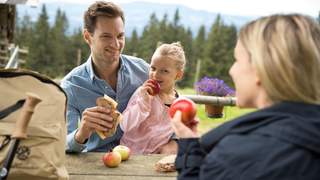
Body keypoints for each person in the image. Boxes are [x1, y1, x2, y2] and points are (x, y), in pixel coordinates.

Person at [171, 14, 320, 179]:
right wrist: (191, 144)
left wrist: (188, 152)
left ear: (260, 69)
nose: (231, 70)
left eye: (237, 60)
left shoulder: (240, 156)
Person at [60, 1, 150, 152]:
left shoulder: (143, 71)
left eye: (120, 36)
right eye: (106, 36)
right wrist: (81, 133)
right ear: (88, 36)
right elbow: (63, 144)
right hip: (94, 165)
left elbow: (170, 99)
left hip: (140, 159)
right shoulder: (71, 86)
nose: (115, 44)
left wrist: (204, 87)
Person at [120, 42, 185, 154]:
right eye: (153, 68)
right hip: (131, 154)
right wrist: (143, 103)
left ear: (178, 75)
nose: (155, 74)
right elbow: (124, 125)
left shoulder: (179, 103)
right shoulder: (143, 93)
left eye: (164, 71)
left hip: (156, 158)